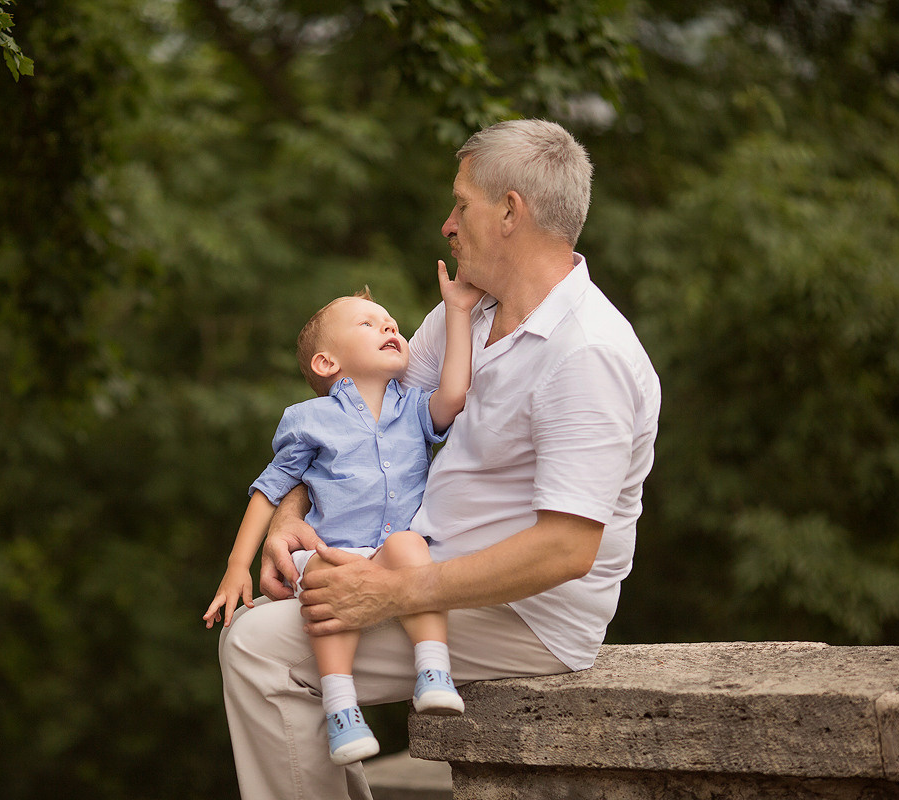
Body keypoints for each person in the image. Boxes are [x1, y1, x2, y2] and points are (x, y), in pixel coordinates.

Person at [218, 118, 661, 800]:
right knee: (265, 632)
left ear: (509, 211)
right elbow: (361, 423)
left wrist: (395, 593)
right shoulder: (473, 312)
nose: (447, 225)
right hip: (418, 562)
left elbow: (568, 549)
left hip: (526, 615)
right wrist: (289, 517)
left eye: (461, 204)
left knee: (258, 649)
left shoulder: (588, 353)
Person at [204, 261, 484, 765]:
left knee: (410, 546)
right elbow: (269, 490)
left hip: (390, 557)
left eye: (390, 321)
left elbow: (455, 396)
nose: (389, 326)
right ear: (326, 362)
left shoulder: (413, 407)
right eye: (368, 323)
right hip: (330, 552)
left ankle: (433, 670)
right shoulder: (308, 420)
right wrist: (235, 566)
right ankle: (340, 707)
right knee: (332, 573)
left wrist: (458, 310)